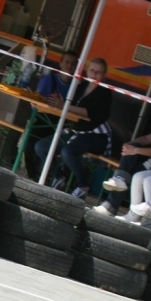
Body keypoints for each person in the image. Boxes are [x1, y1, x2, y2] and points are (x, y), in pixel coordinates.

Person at [33, 57, 112, 199]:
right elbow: (70, 105)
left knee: (67, 152)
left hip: (96, 135)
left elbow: (89, 113)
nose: (94, 74)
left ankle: (83, 185)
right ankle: (58, 177)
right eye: (92, 70)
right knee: (41, 146)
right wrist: (58, 101)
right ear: (87, 71)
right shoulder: (80, 87)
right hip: (76, 130)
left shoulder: (105, 93)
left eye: (98, 72)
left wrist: (64, 105)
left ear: (104, 76)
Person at [21, 50, 78, 181]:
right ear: (61, 64)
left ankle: (58, 177)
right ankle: (32, 176)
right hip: (43, 120)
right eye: (67, 62)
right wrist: (48, 105)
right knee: (29, 142)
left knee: (65, 148)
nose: (69, 66)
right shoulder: (48, 80)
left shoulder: (77, 87)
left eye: (73, 64)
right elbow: (34, 104)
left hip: (63, 125)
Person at [93, 122, 151, 216]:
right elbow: (147, 138)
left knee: (131, 175)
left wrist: (135, 150)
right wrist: (129, 145)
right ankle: (119, 181)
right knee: (134, 148)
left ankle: (112, 204)